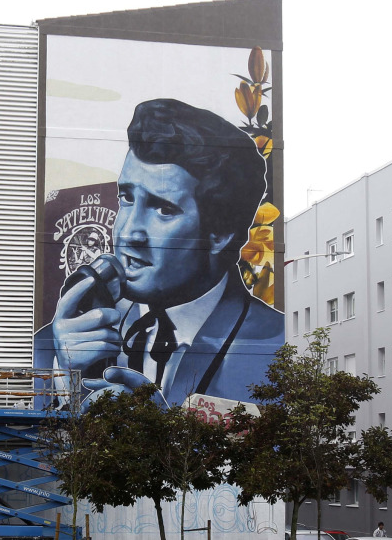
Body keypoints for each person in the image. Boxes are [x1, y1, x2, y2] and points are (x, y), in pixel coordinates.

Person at [35, 98, 284, 406]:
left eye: (164, 209)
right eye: (126, 198)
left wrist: (161, 427)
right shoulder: (58, 340)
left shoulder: (273, 346)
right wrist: (67, 375)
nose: (128, 232)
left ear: (220, 234)